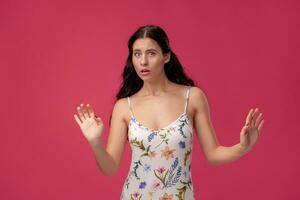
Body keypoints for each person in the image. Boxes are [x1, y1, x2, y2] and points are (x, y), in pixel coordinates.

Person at [74, 25, 264, 200]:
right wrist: (95, 142)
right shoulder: (124, 106)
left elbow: (213, 154)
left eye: (151, 53)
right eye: (137, 54)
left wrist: (243, 147)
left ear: (166, 56)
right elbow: (110, 168)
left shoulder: (193, 97)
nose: (143, 61)